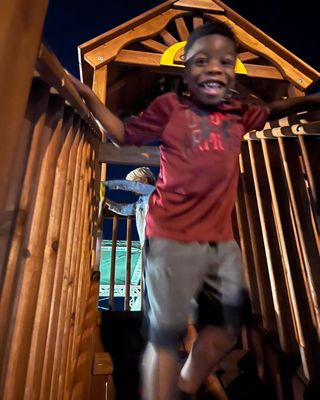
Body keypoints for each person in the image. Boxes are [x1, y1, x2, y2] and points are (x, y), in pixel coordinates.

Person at [67, 20, 320, 400]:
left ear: (232, 70)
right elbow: (121, 133)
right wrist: (86, 93)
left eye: (224, 60)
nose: (214, 67)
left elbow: (273, 108)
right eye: (202, 60)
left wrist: (311, 100)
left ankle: (185, 386)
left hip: (218, 242)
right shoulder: (170, 107)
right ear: (187, 74)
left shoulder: (238, 114)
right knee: (166, 335)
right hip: (168, 234)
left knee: (225, 331)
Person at [104, 167, 156, 246]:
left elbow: (132, 186)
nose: (130, 187)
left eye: (133, 182)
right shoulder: (140, 203)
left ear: (145, 180)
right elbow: (125, 209)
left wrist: (107, 184)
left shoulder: (153, 192)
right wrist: (108, 202)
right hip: (147, 244)